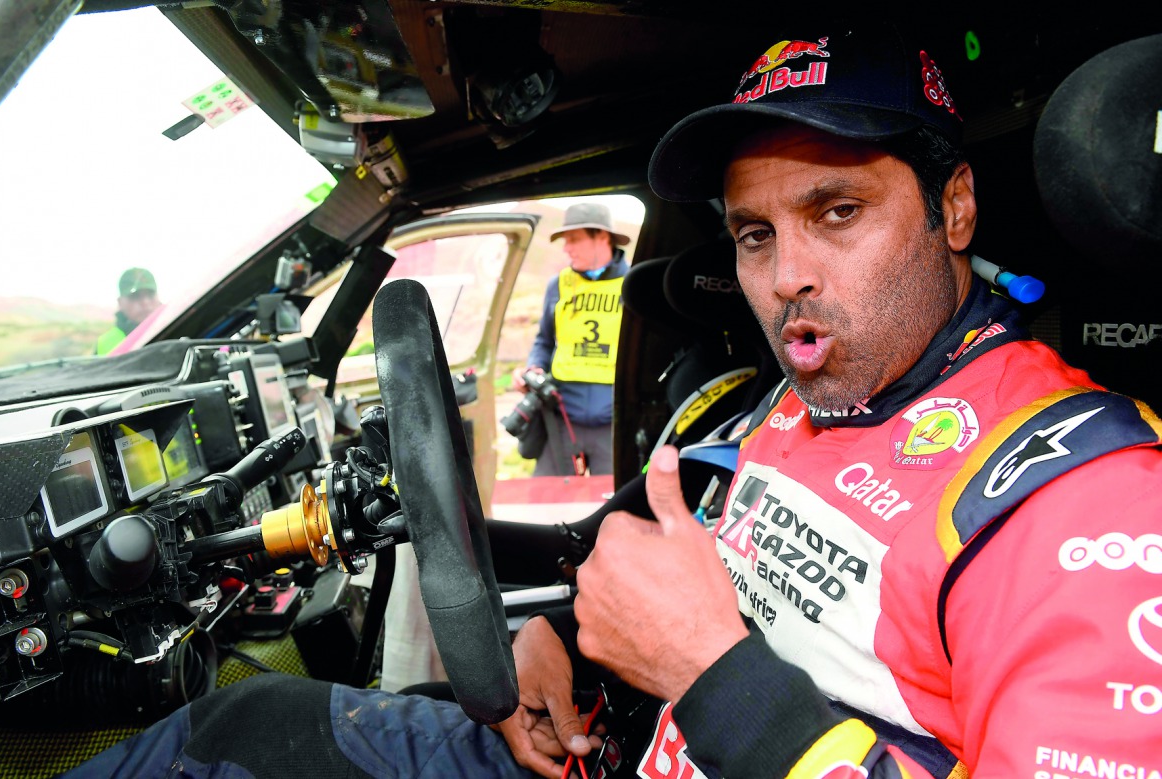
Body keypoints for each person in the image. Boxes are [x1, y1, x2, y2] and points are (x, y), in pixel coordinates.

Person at [60, 22, 1162, 779]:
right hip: (605, 749)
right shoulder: (791, 397)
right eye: (755, 234)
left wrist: (711, 675)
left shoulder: (1082, 497)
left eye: (837, 212)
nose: (788, 277)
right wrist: (568, 647)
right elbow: (689, 569)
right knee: (240, 726)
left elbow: (717, 654)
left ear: (954, 208)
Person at [512, 202, 631, 476]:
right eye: (566, 241)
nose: (567, 248)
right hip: (561, 420)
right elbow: (544, 340)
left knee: (613, 509)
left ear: (602, 237)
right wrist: (533, 368)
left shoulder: (633, 284)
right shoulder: (558, 284)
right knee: (546, 502)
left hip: (613, 424)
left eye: (574, 239)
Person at [95, 267, 161, 355]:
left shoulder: (177, 324)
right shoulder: (105, 343)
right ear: (120, 302)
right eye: (135, 296)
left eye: (150, 294)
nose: (145, 302)